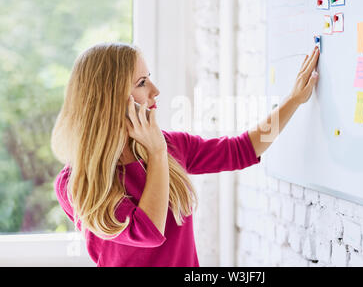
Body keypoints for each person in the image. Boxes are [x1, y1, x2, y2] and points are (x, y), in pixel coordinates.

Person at [51, 42, 320, 267]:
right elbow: (148, 232)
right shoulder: (76, 182)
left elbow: (241, 150)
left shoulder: (172, 146)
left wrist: (294, 100)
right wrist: (156, 152)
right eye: (142, 83)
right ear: (110, 98)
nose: (155, 91)